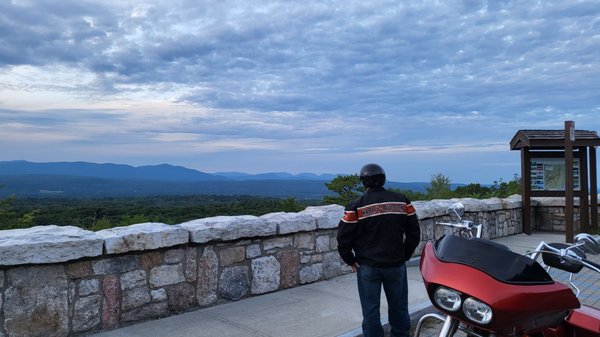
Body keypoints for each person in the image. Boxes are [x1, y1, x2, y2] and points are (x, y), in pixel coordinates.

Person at [337, 163, 421, 337]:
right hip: (396, 264)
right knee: (399, 307)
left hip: (368, 266)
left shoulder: (356, 206)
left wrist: (350, 260)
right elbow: (414, 233)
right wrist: (404, 255)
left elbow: (343, 237)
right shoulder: (402, 201)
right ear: (383, 179)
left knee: (370, 311)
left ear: (364, 182)